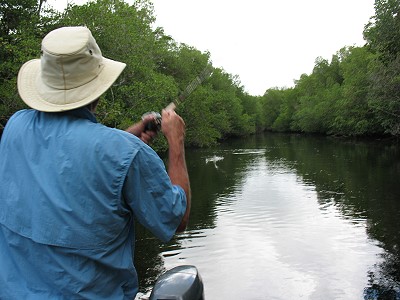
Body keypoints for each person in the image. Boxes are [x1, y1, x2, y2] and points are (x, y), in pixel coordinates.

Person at [0, 26, 191, 299]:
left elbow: (71, 152)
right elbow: (176, 219)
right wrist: (176, 143)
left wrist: (131, 133)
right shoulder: (127, 153)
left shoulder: (15, 126)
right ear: (99, 85)